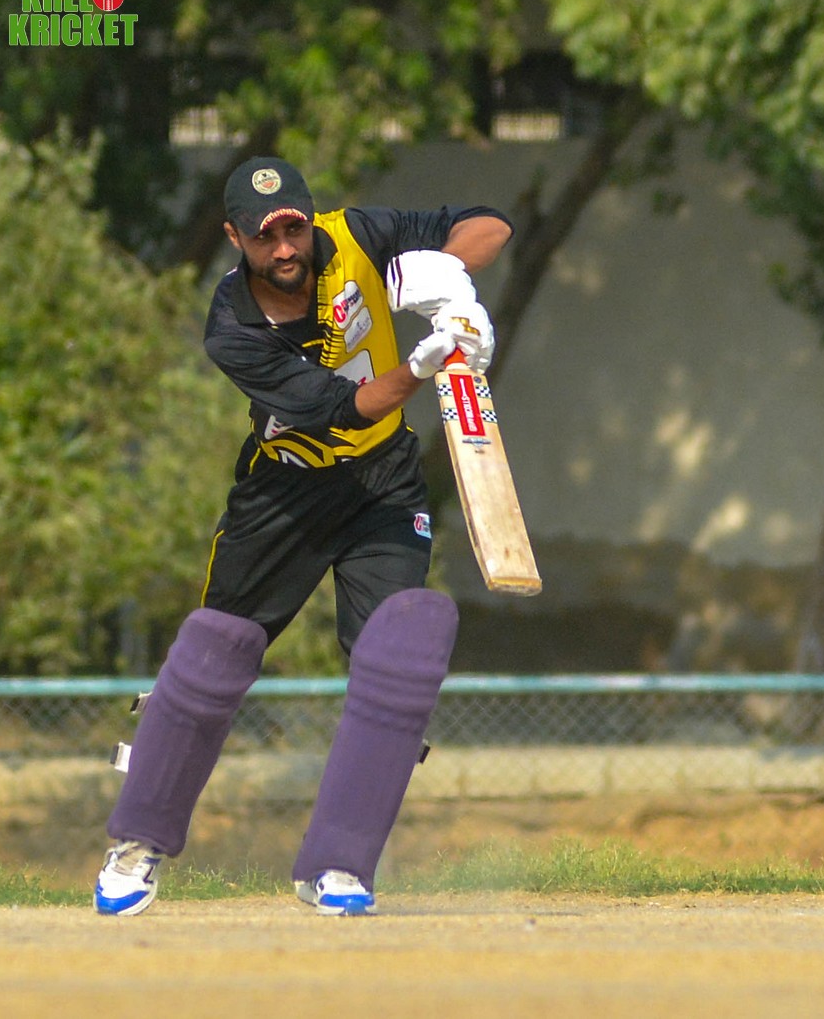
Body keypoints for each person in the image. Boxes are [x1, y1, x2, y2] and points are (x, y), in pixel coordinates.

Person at [93, 156, 513, 916]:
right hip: (283, 493)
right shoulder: (232, 328)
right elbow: (346, 407)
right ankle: (138, 842)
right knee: (213, 654)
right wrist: (426, 363)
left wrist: (450, 280)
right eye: (264, 237)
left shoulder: (356, 236)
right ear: (234, 238)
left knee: (401, 649)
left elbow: (492, 225)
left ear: (310, 217)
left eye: (293, 228)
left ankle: (340, 863)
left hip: (384, 486)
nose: (285, 248)